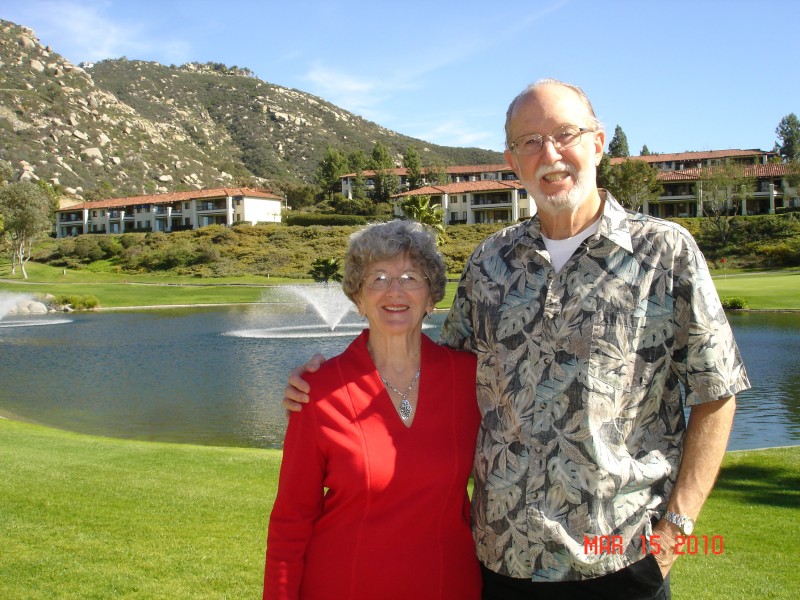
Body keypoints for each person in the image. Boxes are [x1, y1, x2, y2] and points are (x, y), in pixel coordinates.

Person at [284, 79, 750, 599]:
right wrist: (326, 382)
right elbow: (435, 367)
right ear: (512, 159)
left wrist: (676, 532)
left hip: (620, 561)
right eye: (530, 141)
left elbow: (717, 389)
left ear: (598, 144)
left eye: (565, 134)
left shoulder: (665, 252)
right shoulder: (490, 262)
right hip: (503, 559)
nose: (549, 153)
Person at [264, 219, 482, 600]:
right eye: (377, 278)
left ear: (431, 298)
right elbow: (291, 521)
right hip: (343, 585)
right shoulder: (316, 391)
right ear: (358, 299)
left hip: (449, 585)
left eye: (411, 277)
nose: (393, 290)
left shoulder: (470, 380)